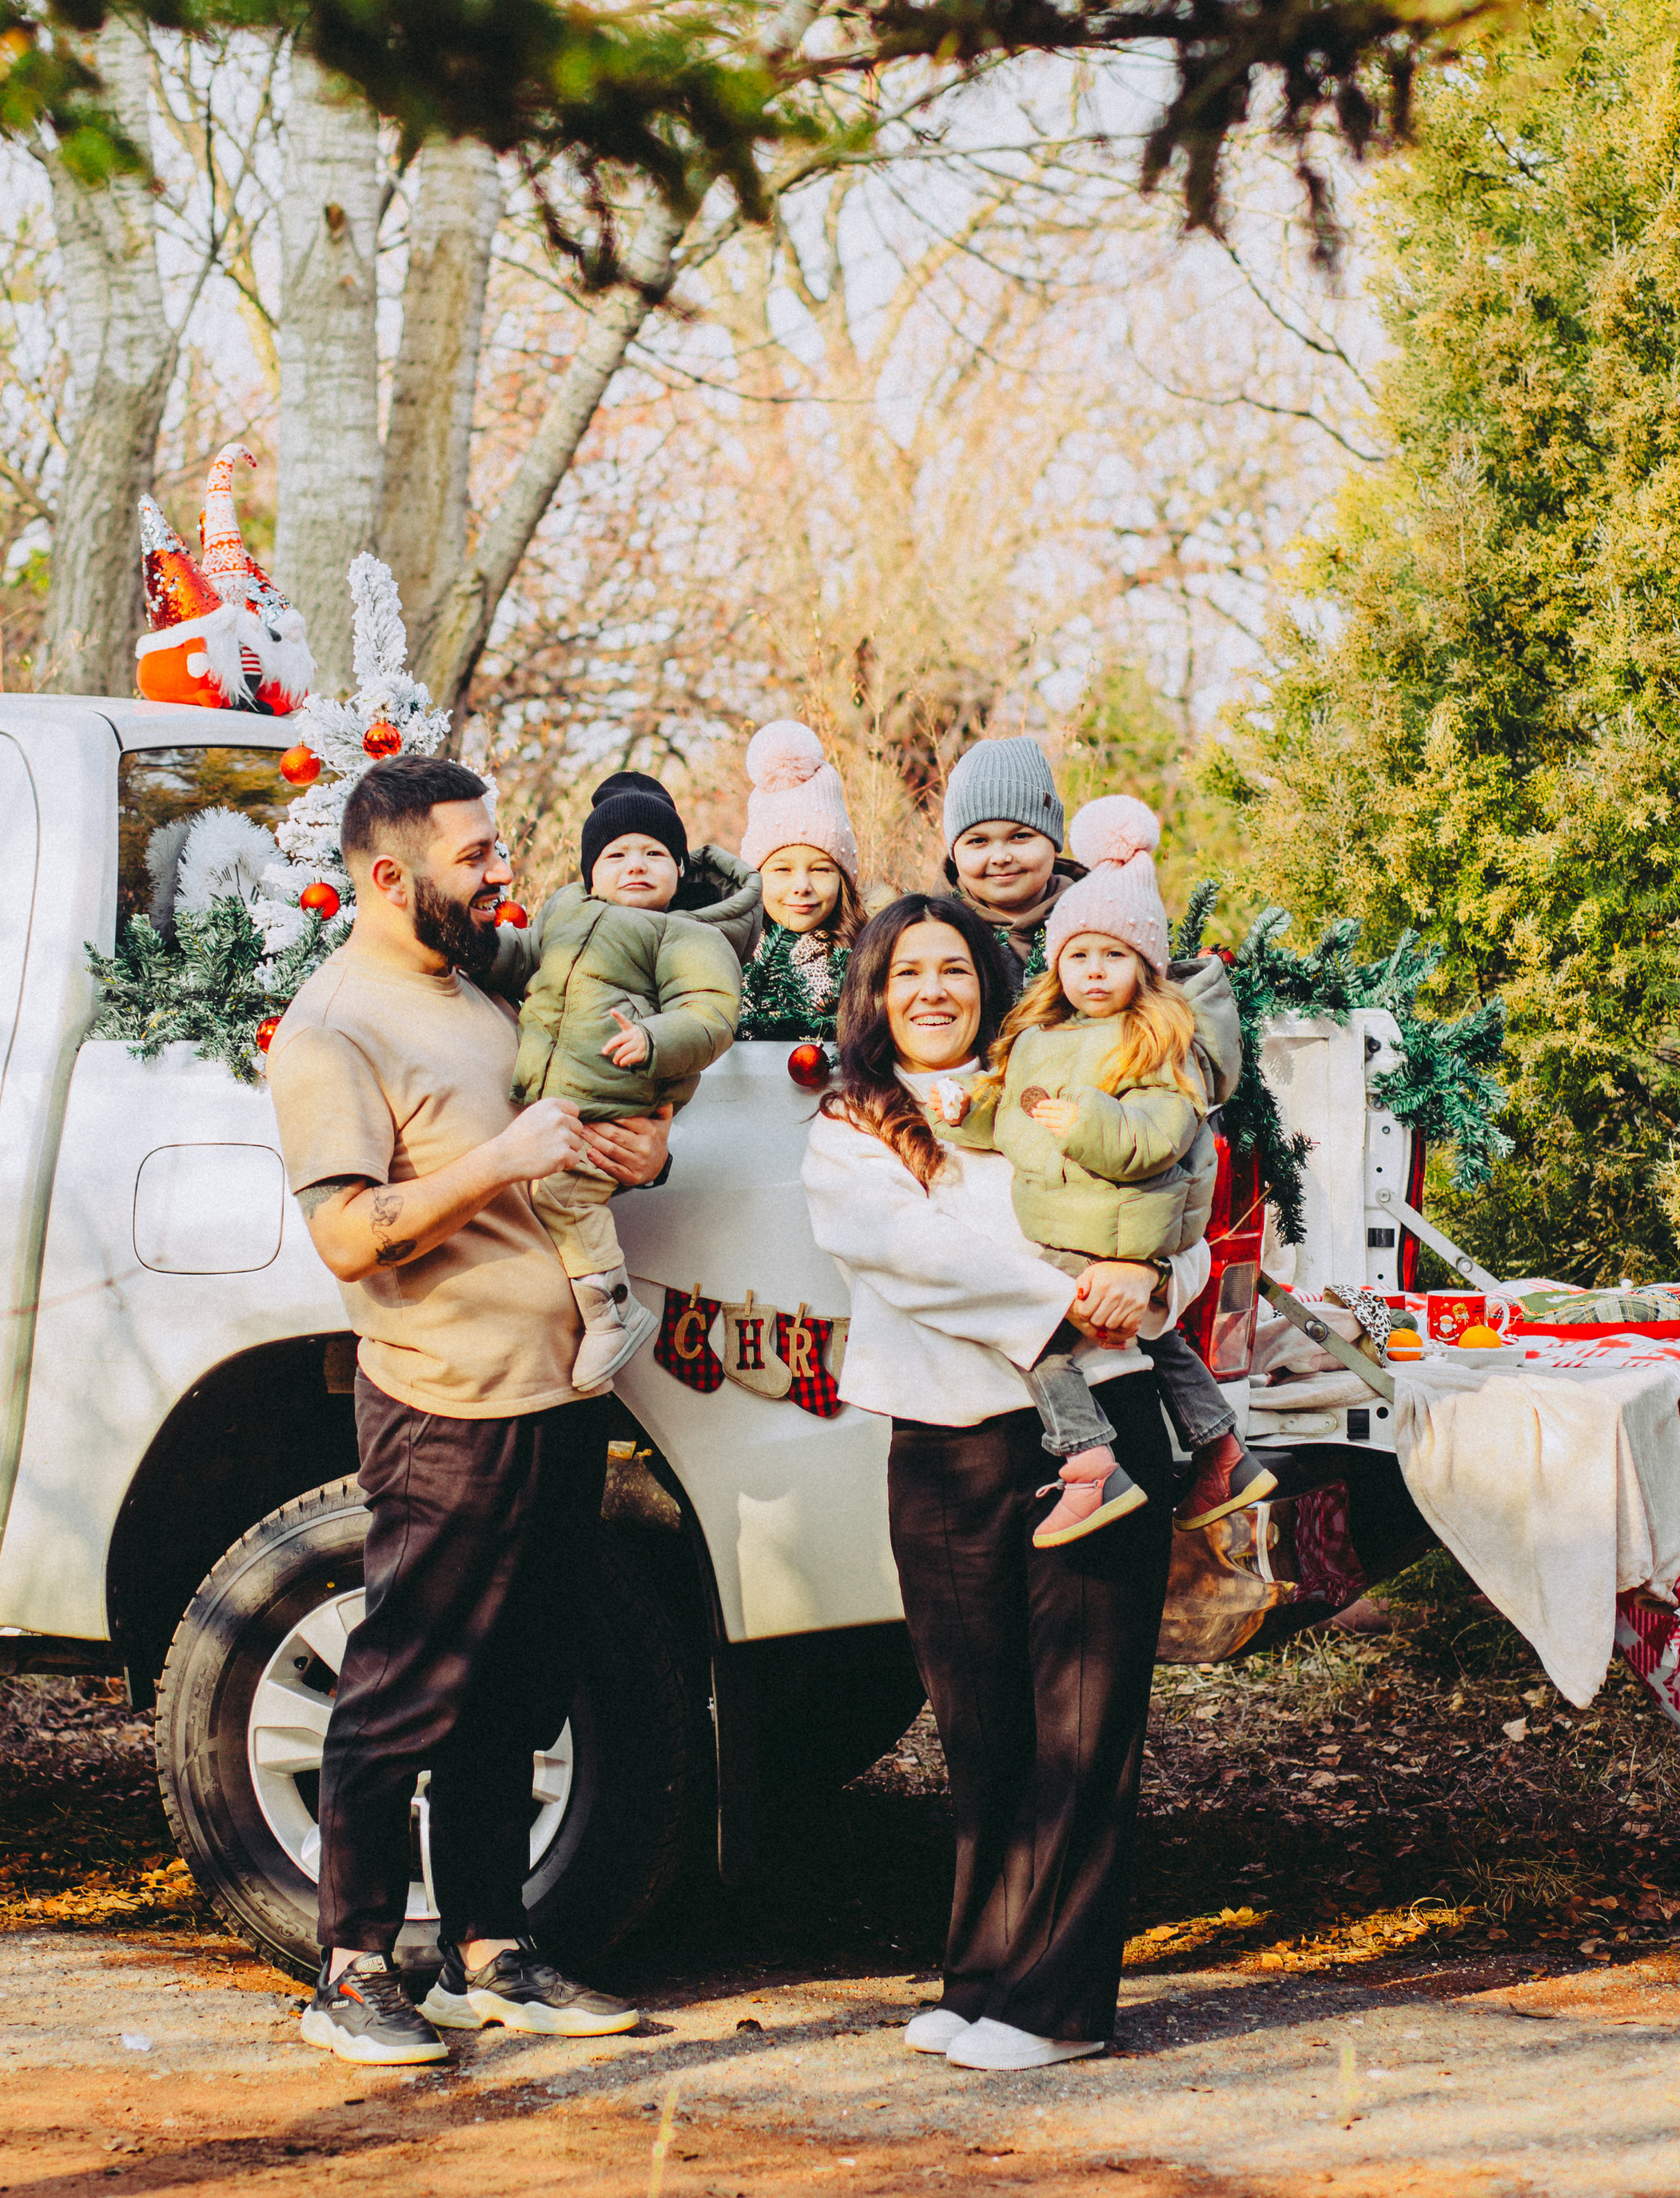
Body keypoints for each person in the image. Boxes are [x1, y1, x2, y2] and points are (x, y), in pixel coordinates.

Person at [265, 755, 671, 2070]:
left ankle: (488, 1955)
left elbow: (589, 1114)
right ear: (390, 878)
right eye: (477, 856)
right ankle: (351, 1970)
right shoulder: (335, 1028)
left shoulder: (486, 985)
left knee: (518, 1689)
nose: (505, 871)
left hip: (557, 1395)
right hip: (445, 1406)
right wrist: (499, 1159)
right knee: (403, 1692)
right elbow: (344, 1235)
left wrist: (629, 1146)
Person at [799, 895, 1212, 2074]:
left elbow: (1165, 1199)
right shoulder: (847, 1127)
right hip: (941, 1443)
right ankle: (981, 1976)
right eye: (906, 974)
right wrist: (1061, 1299)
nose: (933, 991)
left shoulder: (1062, 1078)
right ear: (873, 997)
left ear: (989, 982)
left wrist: (1143, 1276)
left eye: (954, 970)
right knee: (981, 1725)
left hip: (1093, 1430)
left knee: (1082, 1728)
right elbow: (911, 1255)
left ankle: (1058, 2006)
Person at [929, 796, 1271, 1548]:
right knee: (1158, 1337)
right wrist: (963, 1115)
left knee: (1033, 1334)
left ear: (1145, 967)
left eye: (1113, 956)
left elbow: (1155, 1138)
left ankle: (1089, 1463)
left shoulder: (1157, 1038)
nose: (1093, 971)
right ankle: (1222, 1453)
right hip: (1073, 1219)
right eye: (1078, 955)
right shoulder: (1043, 1036)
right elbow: (1018, 1117)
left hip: (1110, 1228)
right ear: (1056, 963)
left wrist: (1085, 1122)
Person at [486, 770, 759, 1388]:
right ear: (589, 873)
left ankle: (611, 1312)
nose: (636, 864)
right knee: (533, 1198)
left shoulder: (687, 935)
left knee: (562, 1195)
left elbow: (710, 1014)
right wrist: (485, 952)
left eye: (655, 854)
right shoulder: (564, 912)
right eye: (616, 855)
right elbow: (527, 956)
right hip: (553, 1095)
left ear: (680, 872)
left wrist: (653, 1037)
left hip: (617, 1099)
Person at [735, 720, 868, 1039]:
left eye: (821, 869)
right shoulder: (732, 956)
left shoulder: (866, 955)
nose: (801, 886)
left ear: (843, 880)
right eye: (782, 869)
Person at [938, 737, 1081, 991]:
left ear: (1053, 840)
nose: (1000, 857)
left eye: (1020, 837)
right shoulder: (927, 932)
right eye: (978, 841)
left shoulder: (1101, 923)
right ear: (954, 853)